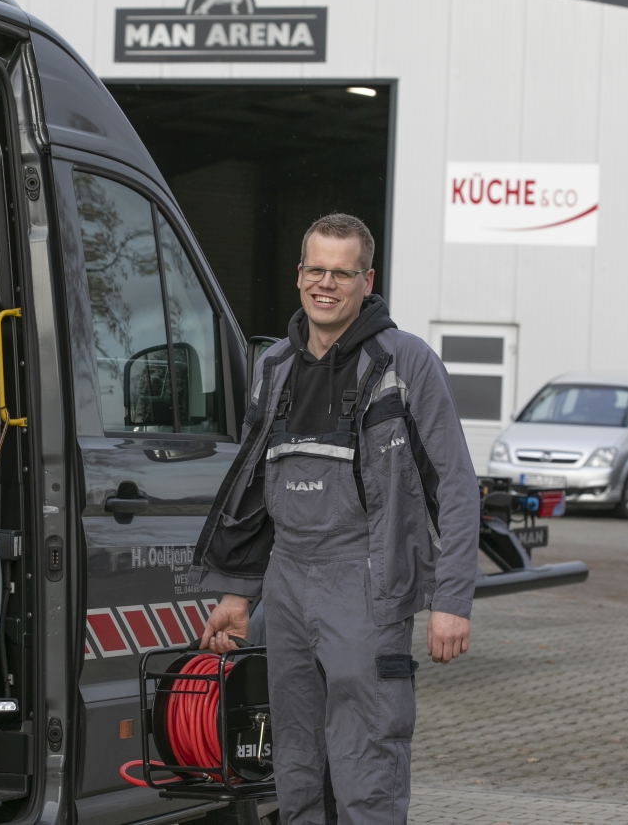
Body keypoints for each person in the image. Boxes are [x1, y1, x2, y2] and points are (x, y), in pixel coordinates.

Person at [189, 213, 478, 825]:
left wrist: (452, 599)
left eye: (342, 274)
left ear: (367, 281)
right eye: (316, 270)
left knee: (366, 762)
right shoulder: (273, 366)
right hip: (288, 584)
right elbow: (254, 486)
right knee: (296, 765)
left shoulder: (406, 362)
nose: (326, 284)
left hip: (367, 583)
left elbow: (454, 484)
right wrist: (237, 595)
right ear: (299, 274)